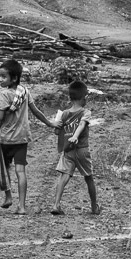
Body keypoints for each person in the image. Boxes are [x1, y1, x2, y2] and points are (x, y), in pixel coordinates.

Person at [0, 59, 49, 213]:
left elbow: (0, 116)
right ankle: (21, 206)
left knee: (4, 169)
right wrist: (50, 123)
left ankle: (8, 197)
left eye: (3, 77)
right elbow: (36, 111)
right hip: (22, 138)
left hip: (5, 139)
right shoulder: (24, 92)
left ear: (14, 78)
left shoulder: (3, 95)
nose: (0, 79)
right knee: (20, 171)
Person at [47, 79, 101, 216]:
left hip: (68, 150)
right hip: (82, 150)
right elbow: (82, 124)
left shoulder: (64, 114)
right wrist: (76, 136)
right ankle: (94, 207)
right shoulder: (85, 112)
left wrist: (59, 126)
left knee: (64, 176)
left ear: (70, 98)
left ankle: (56, 204)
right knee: (89, 177)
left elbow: (57, 131)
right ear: (84, 98)